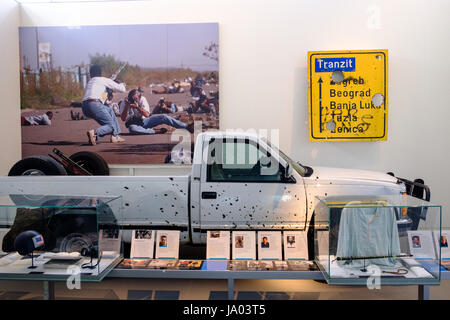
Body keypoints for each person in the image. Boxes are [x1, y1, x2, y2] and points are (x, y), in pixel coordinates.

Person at [81, 65, 127, 145]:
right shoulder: (104, 80)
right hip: (94, 105)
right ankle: (95, 134)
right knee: (111, 126)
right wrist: (122, 84)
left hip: (85, 106)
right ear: (100, 73)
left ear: (91, 74)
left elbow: (102, 99)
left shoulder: (89, 82)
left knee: (109, 109)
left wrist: (107, 90)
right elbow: (122, 90)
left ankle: (115, 136)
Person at [119, 89, 194, 135]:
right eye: (132, 99)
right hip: (132, 124)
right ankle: (154, 131)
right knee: (133, 129)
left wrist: (137, 107)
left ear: (139, 97)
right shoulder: (124, 102)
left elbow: (147, 115)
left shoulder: (142, 99)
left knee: (164, 117)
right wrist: (126, 106)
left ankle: (186, 127)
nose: (134, 100)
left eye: (136, 98)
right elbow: (123, 119)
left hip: (143, 121)